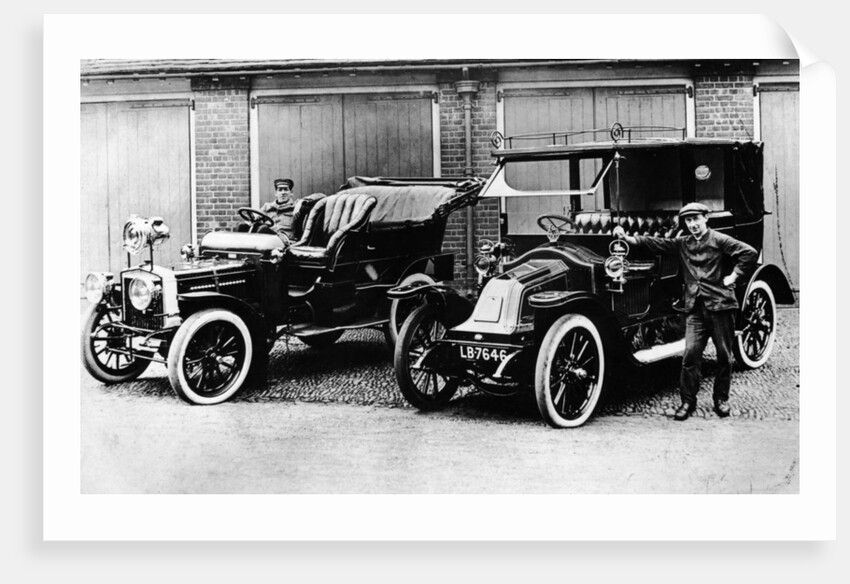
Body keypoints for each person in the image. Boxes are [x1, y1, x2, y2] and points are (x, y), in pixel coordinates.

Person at [613, 202, 758, 421]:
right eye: (689, 221)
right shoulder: (683, 243)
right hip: (695, 309)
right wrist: (628, 239)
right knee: (690, 355)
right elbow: (657, 243)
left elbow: (749, 253)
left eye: (696, 219)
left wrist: (733, 277)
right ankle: (688, 402)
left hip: (720, 306)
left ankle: (721, 399)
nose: (693, 224)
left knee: (724, 356)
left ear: (705, 218)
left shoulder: (719, 239)